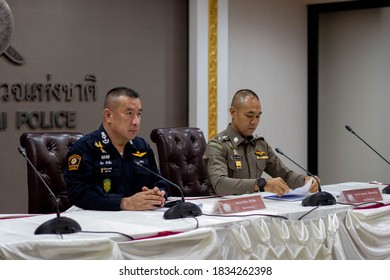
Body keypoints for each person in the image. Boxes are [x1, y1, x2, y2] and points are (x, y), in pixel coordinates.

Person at [64, 87, 167, 211]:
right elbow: (78, 193)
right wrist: (123, 202)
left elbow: (159, 181)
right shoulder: (85, 148)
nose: (136, 121)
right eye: (129, 113)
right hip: (98, 221)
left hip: (140, 219)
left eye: (138, 114)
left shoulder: (141, 147)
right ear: (108, 116)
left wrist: (158, 193)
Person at [204, 89, 320, 196]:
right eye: (249, 115)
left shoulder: (260, 145)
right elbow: (220, 184)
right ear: (233, 112)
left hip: (254, 207)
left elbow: (284, 175)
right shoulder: (218, 146)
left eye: (258, 116)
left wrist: (305, 180)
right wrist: (261, 184)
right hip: (224, 211)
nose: (254, 122)